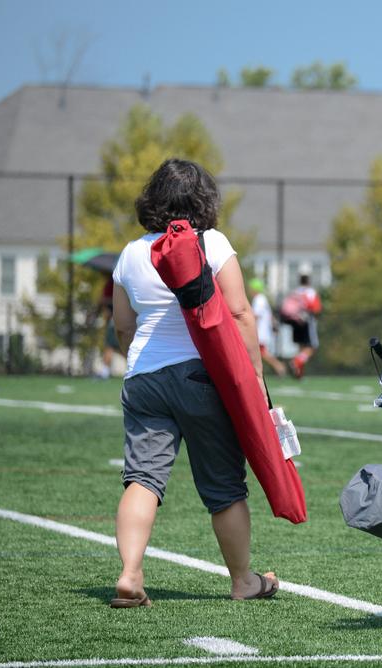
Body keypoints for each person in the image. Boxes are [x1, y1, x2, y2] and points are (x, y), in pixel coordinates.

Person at [110, 158, 278, 607]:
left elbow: (123, 326)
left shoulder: (130, 253)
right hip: (203, 376)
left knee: (142, 479)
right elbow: (241, 313)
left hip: (144, 376)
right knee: (224, 487)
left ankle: (130, 574)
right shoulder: (212, 242)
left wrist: (140, 365)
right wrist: (256, 377)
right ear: (203, 199)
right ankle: (243, 581)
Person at [249, 278, 287, 377]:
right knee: (259, 352)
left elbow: (256, 316)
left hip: (260, 331)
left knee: (261, 352)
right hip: (262, 331)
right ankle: (278, 367)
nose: (250, 291)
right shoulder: (261, 299)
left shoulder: (259, 300)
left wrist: (250, 329)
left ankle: (279, 366)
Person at [286, 273, 322, 379]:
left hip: (295, 322)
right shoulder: (310, 292)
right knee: (312, 347)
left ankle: (299, 374)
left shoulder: (295, 292)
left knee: (301, 348)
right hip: (307, 321)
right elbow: (316, 308)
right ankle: (295, 362)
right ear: (308, 282)